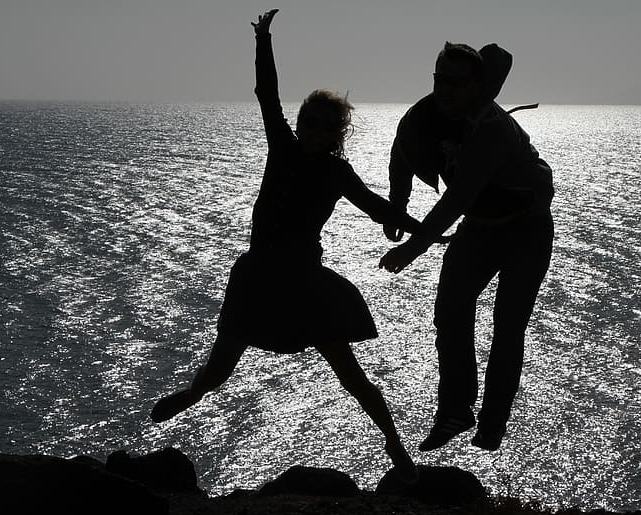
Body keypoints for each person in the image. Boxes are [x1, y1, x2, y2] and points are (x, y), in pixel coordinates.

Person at [151, 9, 432, 483]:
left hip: (304, 280)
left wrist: (427, 231)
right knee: (221, 364)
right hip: (260, 273)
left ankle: (393, 442)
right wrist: (264, 39)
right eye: (311, 120)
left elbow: (377, 208)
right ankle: (191, 395)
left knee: (349, 372)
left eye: (326, 124)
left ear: (338, 133)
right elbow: (266, 94)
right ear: (301, 123)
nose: (316, 128)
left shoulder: (336, 172)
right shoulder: (281, 147)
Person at [379, 41, 554, 452]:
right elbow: (402, 150)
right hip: (479, 228)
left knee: (508, 329)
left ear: (478, 86)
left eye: (457, 83)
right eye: (441, 79)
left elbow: (457, 197)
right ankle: (455, 411)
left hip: (526, 230)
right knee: (450, 313)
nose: (446, 89)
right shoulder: (423, 115)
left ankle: (492, 423)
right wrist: (397, 204)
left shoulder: (493, 129)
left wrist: (413, 248)